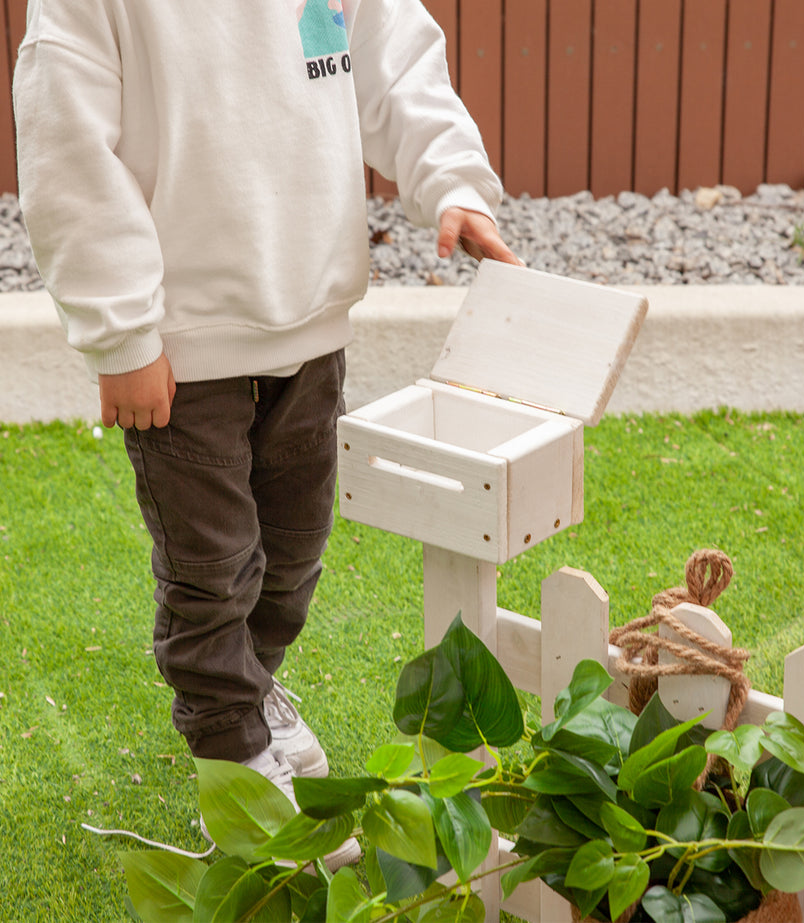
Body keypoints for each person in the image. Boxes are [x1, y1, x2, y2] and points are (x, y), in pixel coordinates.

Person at [13, 0, 518, 865]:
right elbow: (67, 154)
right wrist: (122, 334)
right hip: (180, 348)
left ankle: (250, 692)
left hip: (311, 325)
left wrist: (452, 180)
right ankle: (236, 761)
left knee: (290, 556)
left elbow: (397, 64)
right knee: (212, 571)